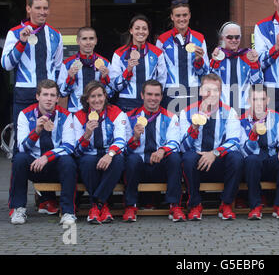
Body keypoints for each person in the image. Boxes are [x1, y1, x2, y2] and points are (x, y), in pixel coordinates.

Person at [9, 80, 77, 225]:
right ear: (37, 96)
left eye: (53, 95)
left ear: (58, 98)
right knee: (19, 159)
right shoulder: (25, 114)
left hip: (55, 165)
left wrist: (47, 156)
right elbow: (22, 147)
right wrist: (37, 131)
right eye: (45, 94)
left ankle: (68, 212)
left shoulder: (65, 115)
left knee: (69, 162)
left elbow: (69, 146)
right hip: (34, 165)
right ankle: (18, 208)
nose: (49, 99)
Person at [1, 0, 63, 149]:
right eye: (38, 8)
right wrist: (21, 43)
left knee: (49, 139)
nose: (42, 12)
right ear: (28, 9)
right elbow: (6, 64)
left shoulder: (55, 35)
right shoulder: (14, 33)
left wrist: (55, 93)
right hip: (24, 95)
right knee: (21, 143)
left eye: (45, 8)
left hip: (48, 96)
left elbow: (57, 67)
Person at [180, 73, 243, 221]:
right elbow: (182, 147)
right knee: (187, 158)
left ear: (220, 92)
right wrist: (194, 127)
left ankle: (226, 204)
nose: (212, 94)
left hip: (218, 160)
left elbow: (234, 141)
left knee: (237, 158)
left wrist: (214, 153)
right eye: (208, 90)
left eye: (216, 90)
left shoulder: (230, 112)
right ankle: (195, 205)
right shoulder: (187, 112)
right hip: (197, 163)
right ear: (201, 91)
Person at [123, 79, 185, 222]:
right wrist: (135, 138)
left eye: (157, 95)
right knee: (131, 159)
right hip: (139, 167)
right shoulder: (129, 117)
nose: (153, 98)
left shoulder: (170, 116)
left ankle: (174, 205)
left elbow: (175, 142)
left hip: (160, 166)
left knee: (174, 157)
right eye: (149, 94)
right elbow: (124, 148)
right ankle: (130, 206)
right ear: (142, 95)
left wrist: (162, 150)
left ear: (161, 97)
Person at [73, 81, 126, 224]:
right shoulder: (79, 116)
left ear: (105, 96)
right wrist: (87, 134)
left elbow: (121, 140)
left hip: (110, 154)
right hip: (89, 155)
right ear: (87, 99)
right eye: (92, 97)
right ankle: (103, 206)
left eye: (99, 96)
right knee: (87, 162)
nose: (97, 100)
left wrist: (110, 155)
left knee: (119, 160)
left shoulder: (116, 112)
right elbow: (77, 151)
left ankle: (97, 204)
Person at [239, 84, 279, 220]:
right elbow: (243, 152)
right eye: (255, 99)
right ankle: (255, 207)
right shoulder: (241, 120)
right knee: (251, 160)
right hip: (252, 163)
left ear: (268, 100)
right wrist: (253, 135)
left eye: (262, 99)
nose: (258, 103)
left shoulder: (277, 117)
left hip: (269, 159)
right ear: (248, 101)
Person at [156, 0, 209, 113]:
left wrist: (199, 61)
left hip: (194, 93)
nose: (181, 19)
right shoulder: (162, 40)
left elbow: (205, 73)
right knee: (173, 129)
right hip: (170, 94)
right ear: (172, 17)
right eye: (178, 15)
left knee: (193, 128)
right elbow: (159, 72)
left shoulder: (199, 38)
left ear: (189, 15)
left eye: (185, 15)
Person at [109, 15, 167, 112]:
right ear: (131, 31)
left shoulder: (157, 53)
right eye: (137, 28)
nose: (141, 31)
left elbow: (162, 80)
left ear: (148, 32)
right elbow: (115, 85)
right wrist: (128, 70)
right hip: (126, 105)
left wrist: (155, 99)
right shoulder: (119, 53)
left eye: (144, 29)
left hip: (150, 105)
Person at [209, 22, 263, 115]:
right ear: (222, 38)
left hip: (244, 110)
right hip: (222, 110)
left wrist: (254, 64)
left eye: (237, 37)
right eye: (230, 37)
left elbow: (258, 84)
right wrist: (215, 62)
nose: (234, 40)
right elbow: (210, 84)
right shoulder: (217, 57)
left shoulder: (248, 56)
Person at [58, 26, 113, 113]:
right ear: (78, 41)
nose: (88, 42)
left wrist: (105, 78)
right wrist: (70, 78)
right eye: (84, 39)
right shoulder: (67, 64)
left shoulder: (105, 63)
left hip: (98, 111)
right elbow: (62, 93)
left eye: (91, 39)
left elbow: (110, 93)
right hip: (75, 111)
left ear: (96, 41)